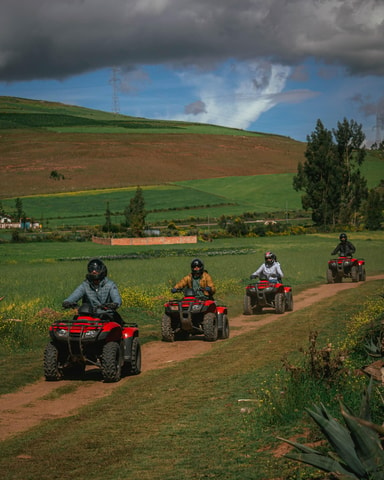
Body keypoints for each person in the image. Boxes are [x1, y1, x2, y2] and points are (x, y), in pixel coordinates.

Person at [62, 258, 123, 324]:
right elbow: (75, 295)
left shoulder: (110, 285)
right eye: (91, 269)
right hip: (88, 314)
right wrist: (67, 302)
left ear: (102, 270)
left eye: (97, 269)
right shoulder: (85, 285)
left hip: (106, 314)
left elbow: (117, 298)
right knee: (75, 322)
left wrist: (114, 304)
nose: (94, 271)